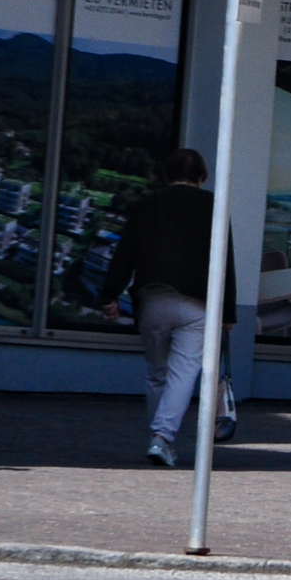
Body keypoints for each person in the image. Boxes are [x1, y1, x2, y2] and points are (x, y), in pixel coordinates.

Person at [100, 147, 237, 468]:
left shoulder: (147, 205)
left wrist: (109, 295)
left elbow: (125, 254)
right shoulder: (214, 206)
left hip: (153, 300)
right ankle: (162, 439)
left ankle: (160, 440)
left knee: (157, 374)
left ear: (167, 176)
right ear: (202, 177)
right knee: (183, 373)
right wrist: (228, 313)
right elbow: (225, 261)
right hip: (196, 306)